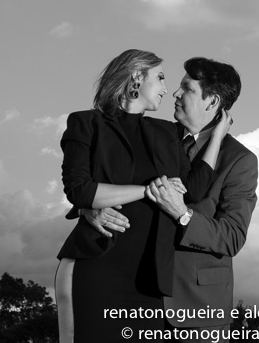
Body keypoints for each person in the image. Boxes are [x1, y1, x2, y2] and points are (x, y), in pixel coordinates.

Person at [55, 50, 231, 343]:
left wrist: (216, 138)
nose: (166, 89)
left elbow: (194, 189)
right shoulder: (85, 123)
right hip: (96, 266)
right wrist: (150, 191)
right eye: (160, 78)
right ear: (136, 76)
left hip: (150, 277)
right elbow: (79, 190)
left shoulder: (165, 132)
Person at [85, 57, 258, 340]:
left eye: (187, 89)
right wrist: (88, 210)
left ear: (212, 102)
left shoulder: (240, 160)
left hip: (198, 311)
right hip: (135, 298)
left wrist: (183, 214)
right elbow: (98, 180)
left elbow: (232, 237)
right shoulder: (153, 135)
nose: (175, 94)